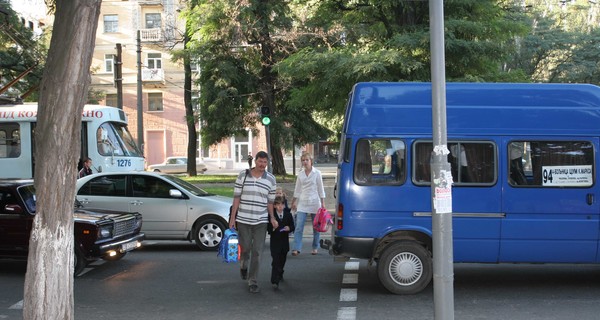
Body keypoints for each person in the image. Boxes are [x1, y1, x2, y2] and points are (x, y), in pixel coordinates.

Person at [229, 151, 278, 293]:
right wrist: (233, 218)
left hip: (261, 221)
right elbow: (236, 198)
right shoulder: (243, 175)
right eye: (260, 161)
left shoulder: (271, 179)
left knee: (257, 251)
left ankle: (253, 280)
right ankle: (243, 265)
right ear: (255, 161)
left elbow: (270, 202)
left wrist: (272, 217)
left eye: (265, 162)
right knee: (245, 249)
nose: (262, 165)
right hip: (243, 220)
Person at [291, 152, 326, 256]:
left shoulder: (317, 173)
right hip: (302, 203)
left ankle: (315, 247)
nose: (305, 162)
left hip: (315, 203)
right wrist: (293, 202)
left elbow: (321, 189)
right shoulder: (300, 174)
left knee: (316, 227)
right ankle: (296, 248)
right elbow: (297, 190)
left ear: (311, 161)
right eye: (303, 160)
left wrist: (323, 204)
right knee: (298, 226)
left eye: (307, 160)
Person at [267, 195, 295, 289]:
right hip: (275, 243)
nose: (280, 206)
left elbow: (292, 226)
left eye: (282, 204)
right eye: (277, 204)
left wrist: (289, 228)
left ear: (284, 205)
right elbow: (269, 229)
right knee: (275, 260)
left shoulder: (288, 214)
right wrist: (273, 228)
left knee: (282, 260)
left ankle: (280, 271)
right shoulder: (272, 216)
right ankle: (275, 279)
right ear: (274, 206)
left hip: (284, 243)